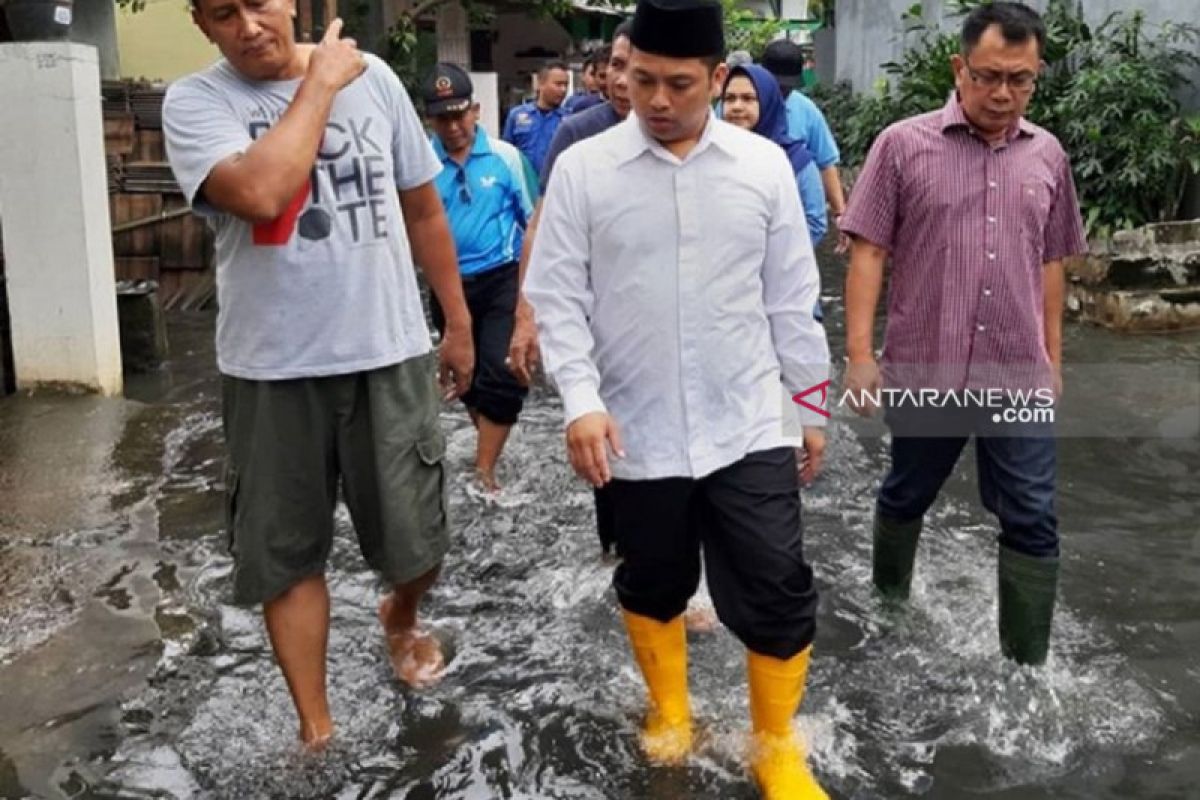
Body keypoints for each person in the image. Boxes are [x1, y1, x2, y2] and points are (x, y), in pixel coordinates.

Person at [525, 1, 831, 797]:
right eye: (642, 80)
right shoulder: (585, 170)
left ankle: (775, 746)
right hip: (637, 424)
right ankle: (671, 710)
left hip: (750, 416)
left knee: (775, 582)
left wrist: (813, 406)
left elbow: (793, 300)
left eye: (680, 85)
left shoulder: (761, 168)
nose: (657, 101)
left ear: (718, 77)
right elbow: (557, 296)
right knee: (654, 577)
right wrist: (581, 400)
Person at [162, 0, 474, 748]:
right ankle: (317, 725)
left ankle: (400, 612)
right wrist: (320, 86)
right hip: (272, 368)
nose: (247, 24)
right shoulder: (195, 102)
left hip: (387, 349)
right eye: (221, 12)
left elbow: (422, 209)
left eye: (257, 2)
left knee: (416, 543)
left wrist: (457, 322)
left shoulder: (378, 82)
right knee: (286, 553)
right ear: (201, 24)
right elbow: (262, 191)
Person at [840, 1, 1086, 666]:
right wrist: (860, 356)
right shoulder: (903, 145)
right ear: (959, 68)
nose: (1003, 93)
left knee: (1033, 515)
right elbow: (867, 252)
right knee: (908, 490)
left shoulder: (1048, 156)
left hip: (1016, 370)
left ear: (1037, 76)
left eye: (1021, 78)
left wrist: (1053, 360)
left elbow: (1052, 260)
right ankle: (889, 605)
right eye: (988, 76)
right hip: (928, 365)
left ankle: (1026, 668)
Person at [421, 64, 534, 492]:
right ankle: (492, 449)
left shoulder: (506, 158)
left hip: (501, 277)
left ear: (477, 111)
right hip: (448, 286)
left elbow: (535, 223)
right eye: (442, 117)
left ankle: (484, 471)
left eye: (460, 114)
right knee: (466, 377)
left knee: (503, 373)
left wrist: (530, 304)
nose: (452, 126)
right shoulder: (420, 165)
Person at [720, 63, 827, 245]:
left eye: (748, 98)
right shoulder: (714, 155)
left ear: (768, 102)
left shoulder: (795, 160)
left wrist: (771, 259)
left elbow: (815, 223)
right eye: (729, 98)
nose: (737, 106)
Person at [761, 39, 848, 231]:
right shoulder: (735, 108)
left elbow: (826, 163)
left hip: (793, 223)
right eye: (776, 86)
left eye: (787, 87)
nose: (781, 92)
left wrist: (840, 214)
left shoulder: (806, 111)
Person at [502, 60, 570, 174]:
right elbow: (506, 153)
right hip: (524, 183)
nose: (563, 90)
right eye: (558, 84)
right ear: (540, 84)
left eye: (565, 85)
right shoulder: (517, 115)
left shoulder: (569, 120)